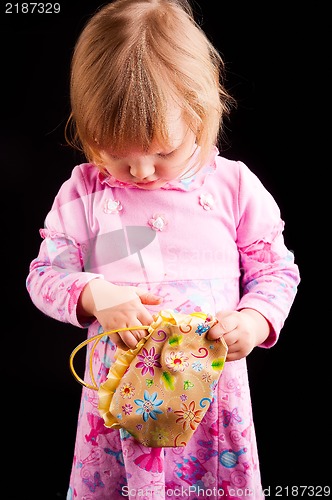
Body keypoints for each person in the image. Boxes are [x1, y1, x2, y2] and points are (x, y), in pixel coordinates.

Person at [26, 0, 300, 498]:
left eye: (164, 151)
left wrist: (256, 319)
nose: (142, 171)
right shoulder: (86, 192)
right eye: (117, 153)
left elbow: (275, 269)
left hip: (211, 407)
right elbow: (44, 276)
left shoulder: (233, 187)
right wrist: (95, 296)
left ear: (200, 111)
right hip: (118, 412)